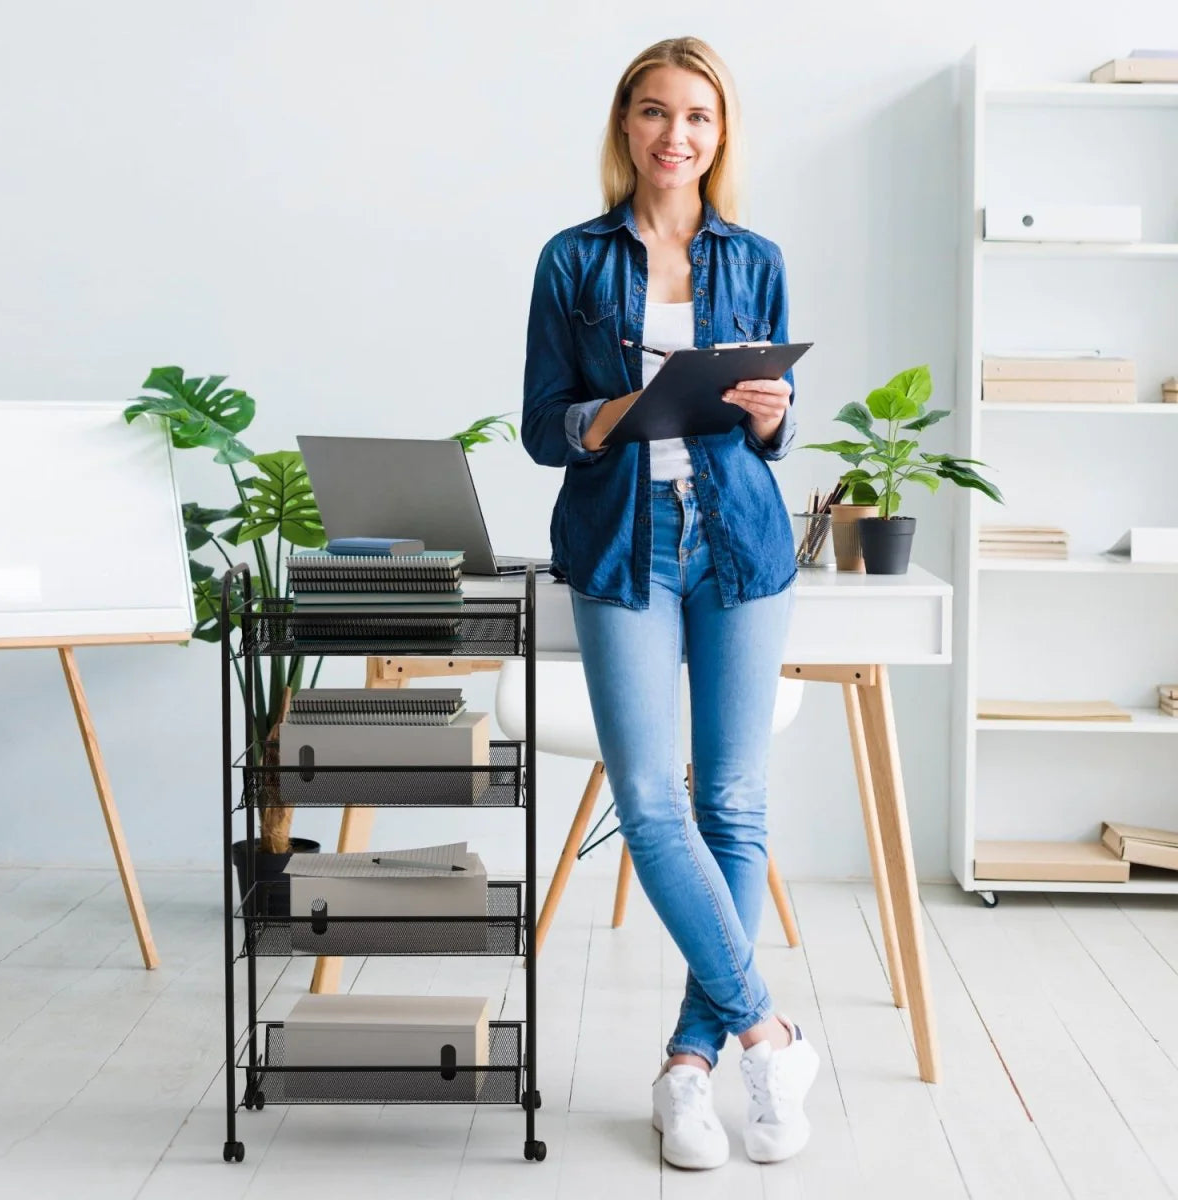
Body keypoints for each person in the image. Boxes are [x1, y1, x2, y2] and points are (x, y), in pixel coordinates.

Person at [521, 36, 819, 1171]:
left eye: (697, 117)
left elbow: (780, 426)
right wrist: (611, 415)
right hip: (620, 543)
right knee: (653, 803)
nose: (675, 136)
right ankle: (770, 1032)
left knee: (734, 804)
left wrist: (765, 411)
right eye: (654, 114)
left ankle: (690, 1069)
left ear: (720, 134)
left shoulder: (756, 256)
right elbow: (543, 422)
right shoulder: (571, 260)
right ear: (625, 126)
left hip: (737, 544)